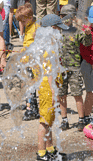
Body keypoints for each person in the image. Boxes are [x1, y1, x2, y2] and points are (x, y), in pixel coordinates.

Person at [33, 15, 72, 161]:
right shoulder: (47, 46)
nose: (60, 32)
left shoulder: (46, 42)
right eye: (58, 29)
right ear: (51, 29)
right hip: (47, 86)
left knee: (49, 119)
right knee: (44, 121)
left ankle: (50, 149)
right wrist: (54, 90)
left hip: (48, 84)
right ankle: (41, 153)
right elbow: (49, 71)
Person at [57, 5, 90, 131]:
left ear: (72, 17)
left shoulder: (77, 31)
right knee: (62, 95)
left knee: (77, 94)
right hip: (60, 69)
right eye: (62, 16)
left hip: (74, 68)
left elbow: (87, 43)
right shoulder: (58, 31)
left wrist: (88, 35)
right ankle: (64, 120)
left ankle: (81, 119)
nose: (63, 19)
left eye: (66, 16)